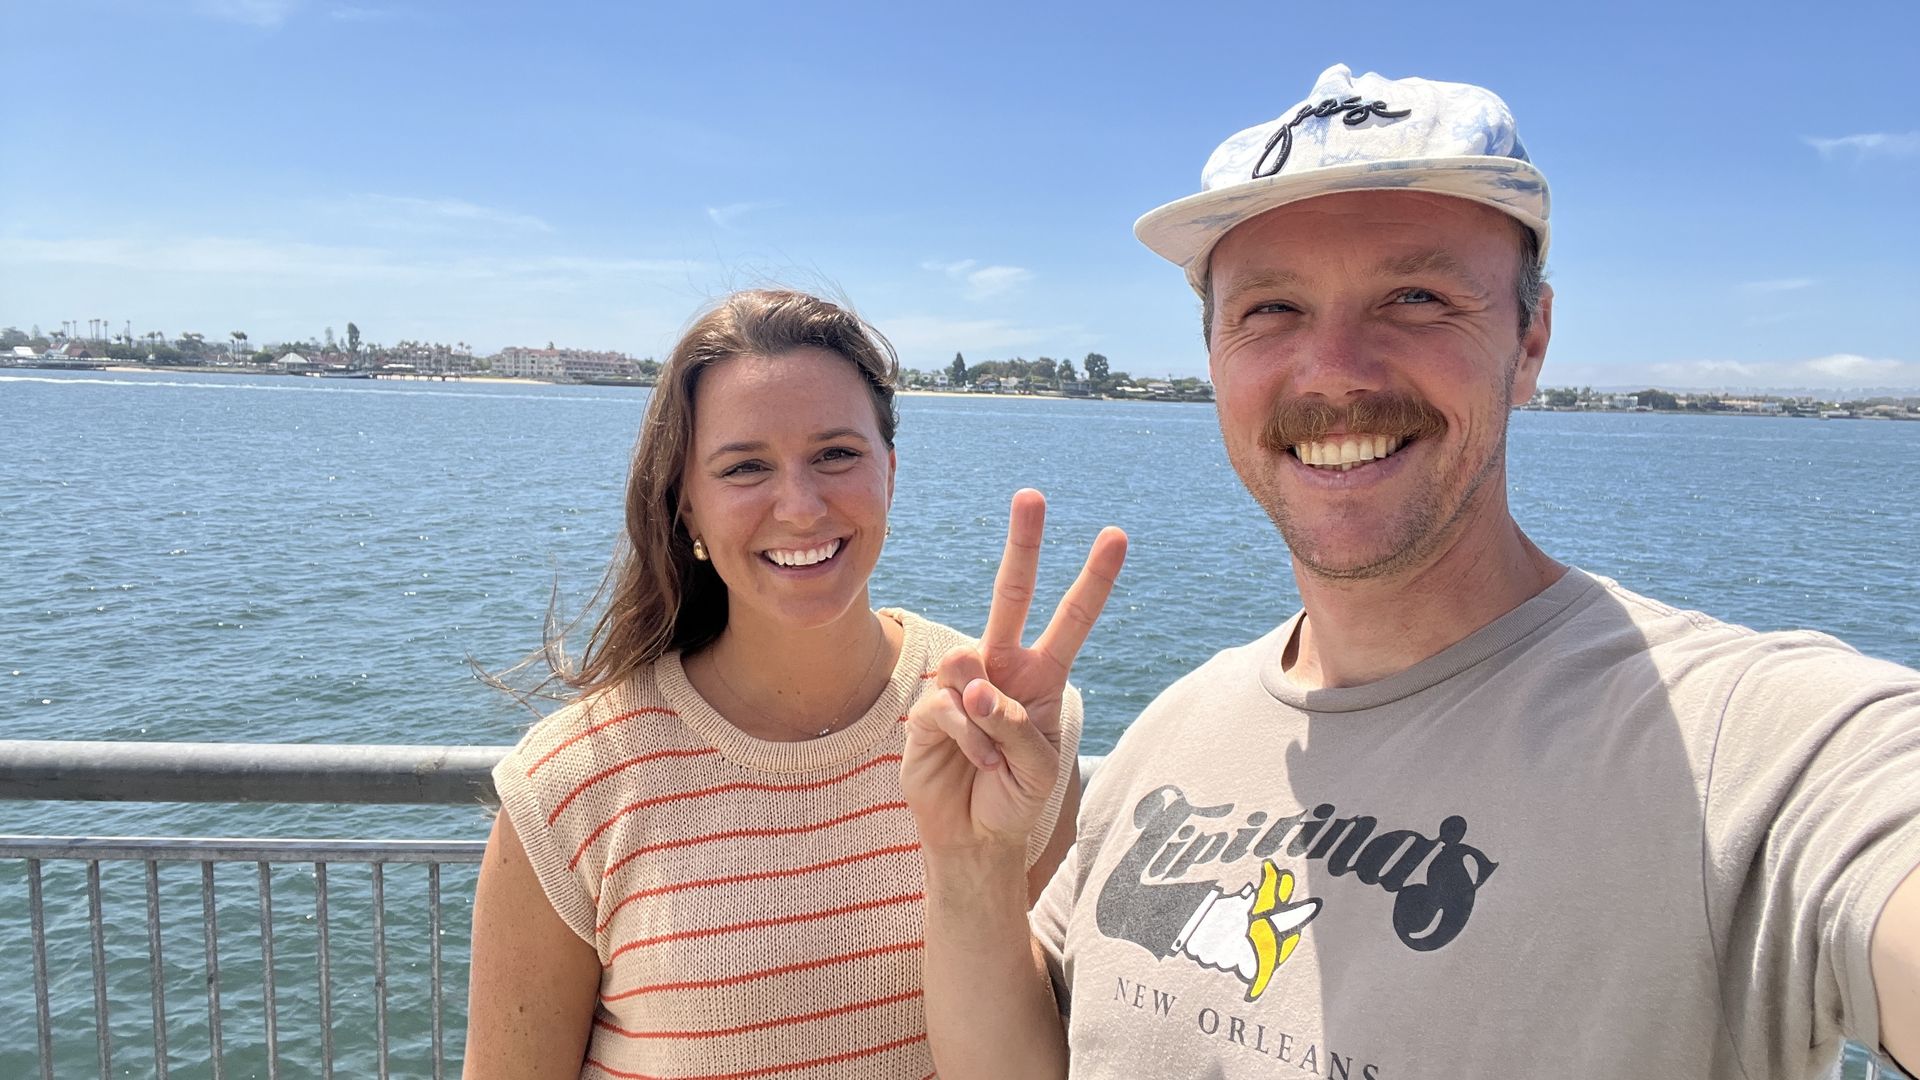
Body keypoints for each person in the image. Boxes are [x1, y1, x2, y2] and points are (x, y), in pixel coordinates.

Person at [901, 65, 1920, 1078]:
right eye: (1271, 309)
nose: (1336, 368)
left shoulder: (1746, 750)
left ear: (1530, 343)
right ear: (1213, 352)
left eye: (1417, 296)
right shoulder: (1172, 733)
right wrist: (975, 873)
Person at [464, 289, 1084, 1080]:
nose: (800, 506)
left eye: (836, 454)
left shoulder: (1003, 726)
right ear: (686, 505)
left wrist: (982, 856)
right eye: (745, 467)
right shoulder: (569, 784)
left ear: (889, 471)